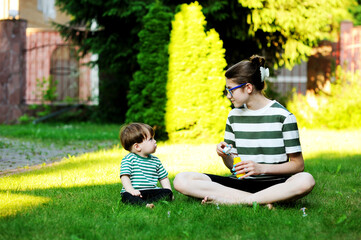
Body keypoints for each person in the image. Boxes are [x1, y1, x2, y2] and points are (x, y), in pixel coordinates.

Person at [173, 55, 315, 207]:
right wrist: (225, 155)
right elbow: (233, 166)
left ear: (248, 88)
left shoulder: (284, 117)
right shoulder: (234, 116)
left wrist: (261, 169)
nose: (228, 96)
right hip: (240, 183)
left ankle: (235, 200)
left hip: (275, 184)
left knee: (306, 180)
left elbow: (298, 165)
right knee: (181, 180)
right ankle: (260, 201)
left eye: (231, 90)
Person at [119, 123, 173, 208]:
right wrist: (130, 190)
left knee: (167, 193)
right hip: (135, 192)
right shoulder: (129, 159)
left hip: (151, 191)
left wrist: (169, 191)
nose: (155, 141)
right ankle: (144, 204)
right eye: (151, 139)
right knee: (126, 196)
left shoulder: (156, 160)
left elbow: (163, 178)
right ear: (137, 146)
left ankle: (146, 203)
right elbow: (124, 176)